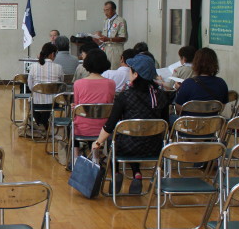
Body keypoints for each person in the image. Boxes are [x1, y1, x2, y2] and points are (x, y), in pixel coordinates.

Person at [92, 54, 169, 195]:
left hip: (127, 146)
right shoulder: (161, 96)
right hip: (154, 147)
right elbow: (165, 124)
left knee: (115, 139)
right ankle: (136, 173)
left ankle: (116, 172)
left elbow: (109, 125)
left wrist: (97, 142)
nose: (128, 72)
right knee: (136, 137)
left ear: (135, 74)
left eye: (130, 70)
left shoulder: (125, 96)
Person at [72, 49, 115, 158]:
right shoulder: (111, 84)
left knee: (71, 126)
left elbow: (77, 107)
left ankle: (76, 158)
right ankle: (96, 155)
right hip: (104, 129)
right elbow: (108, 106)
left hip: (83, 128)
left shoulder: (78, 84)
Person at [173, 47, 229, 116]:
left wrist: (180, 90)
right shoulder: (221, 83)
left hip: (190, 124)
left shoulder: (188, 84)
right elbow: (221, 108)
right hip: (212, 124)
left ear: (195, 63)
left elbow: (178, 109)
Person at [27, 42, 64, 128]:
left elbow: (30, 85)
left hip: (36, 102)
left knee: (33, 99)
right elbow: (61, 85)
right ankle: (43, 123)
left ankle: (40, 123)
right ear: (52, 54)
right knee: (49, 101)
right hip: (53, 103)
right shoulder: (58, 67)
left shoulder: (34, 66)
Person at [95, 1, 128, 68]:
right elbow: (105, 35)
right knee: (105, 69)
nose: (105, 13)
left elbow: (123, 37)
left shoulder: (120, 21)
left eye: (107, 10)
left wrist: (109, 39)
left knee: (114, 68)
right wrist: (99, 37)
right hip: (106, 48)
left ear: (114, 10)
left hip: (115, 48)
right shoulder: (106, 21)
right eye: (104, 10)